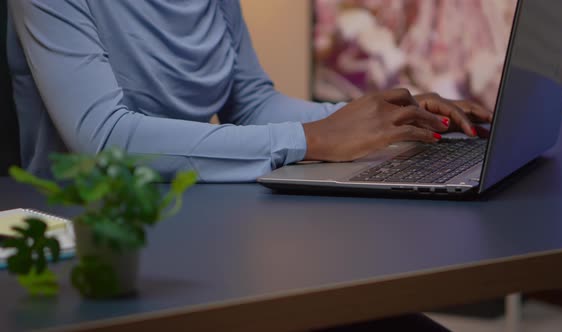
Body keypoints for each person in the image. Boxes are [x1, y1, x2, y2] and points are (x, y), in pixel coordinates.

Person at [8, 1, 491, 330]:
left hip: (206, 237)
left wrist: (391, 118)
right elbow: (103, 135)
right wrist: (311, 139)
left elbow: (253, 103)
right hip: (100, 257)